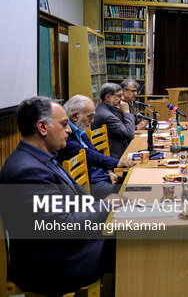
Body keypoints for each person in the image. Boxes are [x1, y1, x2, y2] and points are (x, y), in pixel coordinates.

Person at [0, 97, 116, 295]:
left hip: (60, 249)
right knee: (132, 247)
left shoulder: (42, 157)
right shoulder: (28, 171)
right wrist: (106, 205)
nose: (69, 130)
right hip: (50, 266)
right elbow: (61, 225)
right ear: (42, 127)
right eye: (64, 124)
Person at [58, 95, 135, 199]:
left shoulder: (78, 129)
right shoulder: (66, 136)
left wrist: (109, 172)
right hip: (90, 182)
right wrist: (117, 163)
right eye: (90, 116)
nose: (93, 120)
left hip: (98, 175)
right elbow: (89, 155)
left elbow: (95, 153)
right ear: (75, 116)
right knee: (131, 191)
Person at [93, 82, 136, 158]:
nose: (122, 98)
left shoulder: (105, 108)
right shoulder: (107, 116)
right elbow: (130, 134)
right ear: (108, 97)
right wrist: (126, 112)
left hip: (118, 149)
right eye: (119, 96)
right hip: (117, 155)